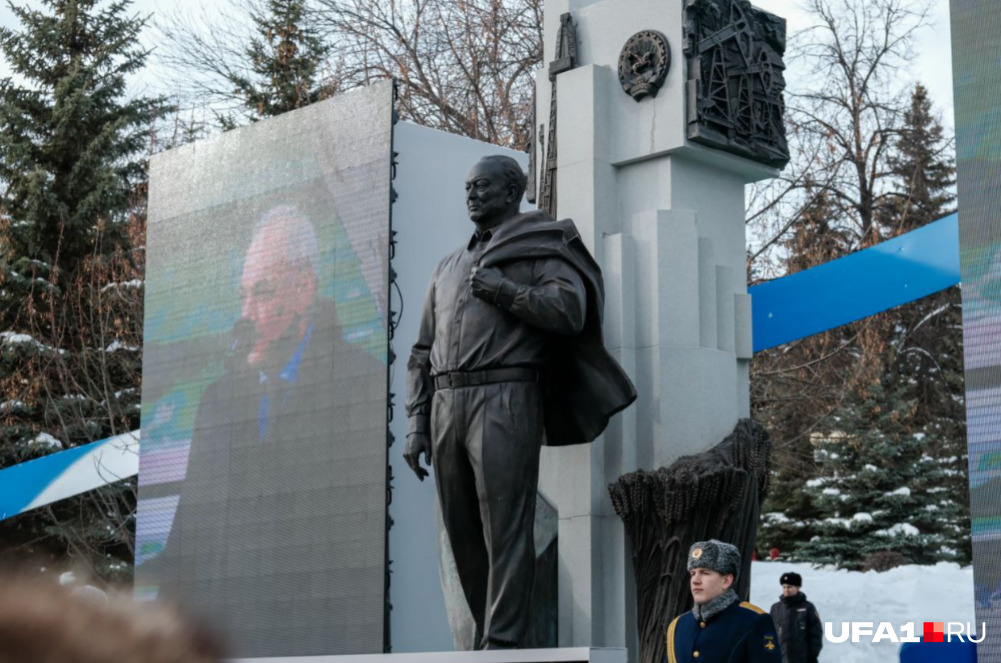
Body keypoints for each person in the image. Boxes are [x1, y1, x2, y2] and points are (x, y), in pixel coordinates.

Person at [404, 155, 635, 649]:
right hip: (446, 402)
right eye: (468, 187)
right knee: (461, 533)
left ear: (512, 192)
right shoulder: (447, 266)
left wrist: (506, 290)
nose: (471, 195)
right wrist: (416, 423)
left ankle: (505, 644)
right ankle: (487, 636)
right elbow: (421, 352)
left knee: (507, 528)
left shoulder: (542, 248)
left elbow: (570, 311)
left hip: (505, 397)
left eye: (482, 186)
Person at [146, 205, 385, 657]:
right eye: (242, 296)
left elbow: (360, 560)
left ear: (304, 288)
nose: (247, 314)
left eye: (262, 293)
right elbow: (187, 540)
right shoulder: (217, 402)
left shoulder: (364, 386)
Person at [666, 540, 783, 663]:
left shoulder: (754, 622)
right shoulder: (678, 625)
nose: (695, 580)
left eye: (705, 573)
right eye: (692, 573)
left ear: (726, 580)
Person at [769, 572, 822, 663]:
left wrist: (812, 656)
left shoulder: (807, 608)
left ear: (797, 588)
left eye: (789, 587)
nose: (786, 589)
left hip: (801, 659)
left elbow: (816, 634)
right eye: (784, 587)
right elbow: (769, 632)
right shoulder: (776, 608)